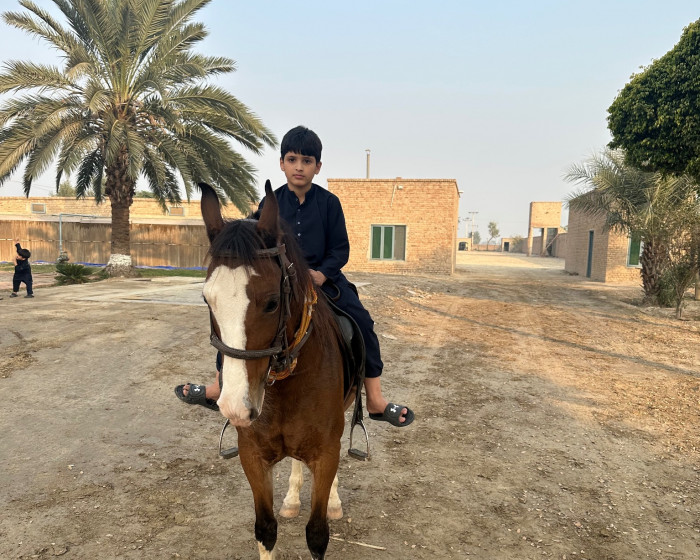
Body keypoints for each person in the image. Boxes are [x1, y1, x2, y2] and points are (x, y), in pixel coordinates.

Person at [176, 126, 413, 427]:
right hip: (282, 281)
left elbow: (340, 249)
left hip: (324, 281)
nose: (299, 167)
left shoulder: (329, 203)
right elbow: (257, 243)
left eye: (307, 161)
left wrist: (323, 273)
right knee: (241, 319)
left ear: (318, 167)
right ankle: (217, 384)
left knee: (362, 322)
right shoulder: (270, 203)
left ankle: (375, 399)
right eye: (292, 159)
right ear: (282, 163)